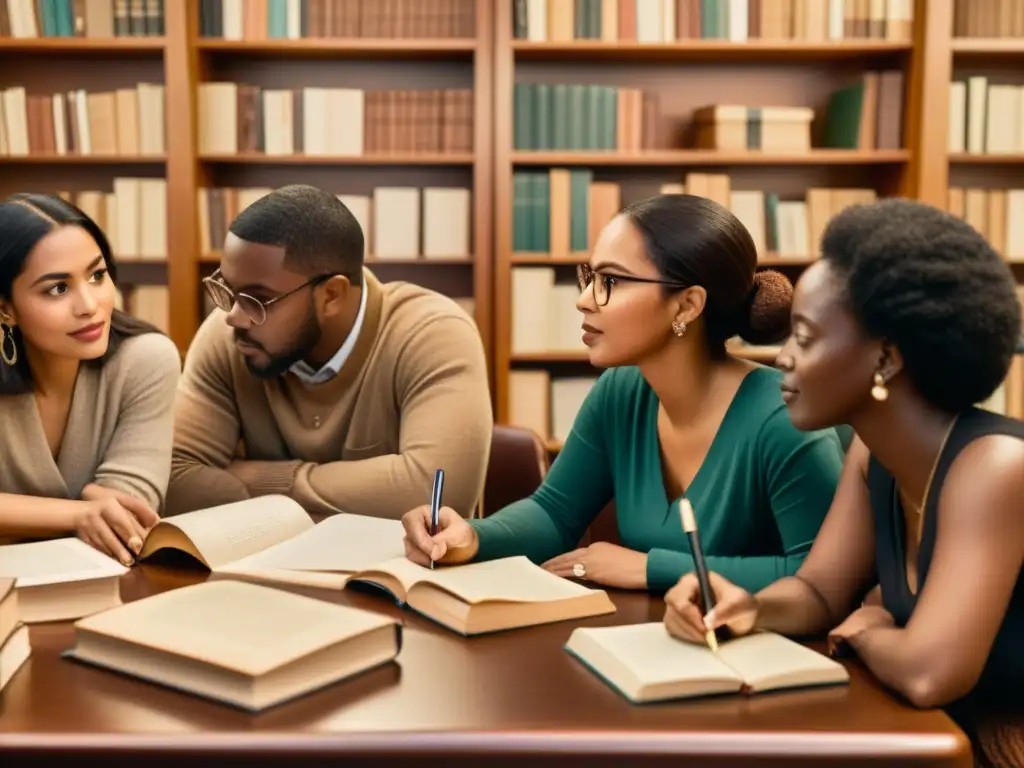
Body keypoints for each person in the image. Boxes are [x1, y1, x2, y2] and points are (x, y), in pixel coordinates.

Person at [661, 199, 1024, 765]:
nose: (781, 358)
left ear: (884, 359)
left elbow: (930, 673)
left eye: (804, 337)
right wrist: (745, 607)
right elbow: (818, 594)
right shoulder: (870, 455)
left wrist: (867, 633)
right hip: (935, 736)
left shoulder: (996, 468)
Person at [401, 194, 845, 593]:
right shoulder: (622, 391)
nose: (584, 300)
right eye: (588, 277)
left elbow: (819, 576)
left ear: (687, 305)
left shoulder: (785, 419)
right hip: (656, 642)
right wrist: (474, 537)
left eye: (611, 282)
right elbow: (554, 513)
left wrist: (648, 568)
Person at [167, 184, 493, 521]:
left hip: (397, 571)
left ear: (332, 295)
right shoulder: (229, 336)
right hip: (267, 568)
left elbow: (437, 496)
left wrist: (256, 480)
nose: (233, 315)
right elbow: (172, 480)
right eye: (228, 290)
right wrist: (372, 491)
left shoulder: (431, 334)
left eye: (257, 299)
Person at [0, 193, 181, 566]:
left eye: (97, 276)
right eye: (58, 288)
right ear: (5, 308)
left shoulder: (147, 361)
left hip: (104, 586)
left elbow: (126, 517)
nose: (89, 305)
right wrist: (77, 515)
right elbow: (97, 517)